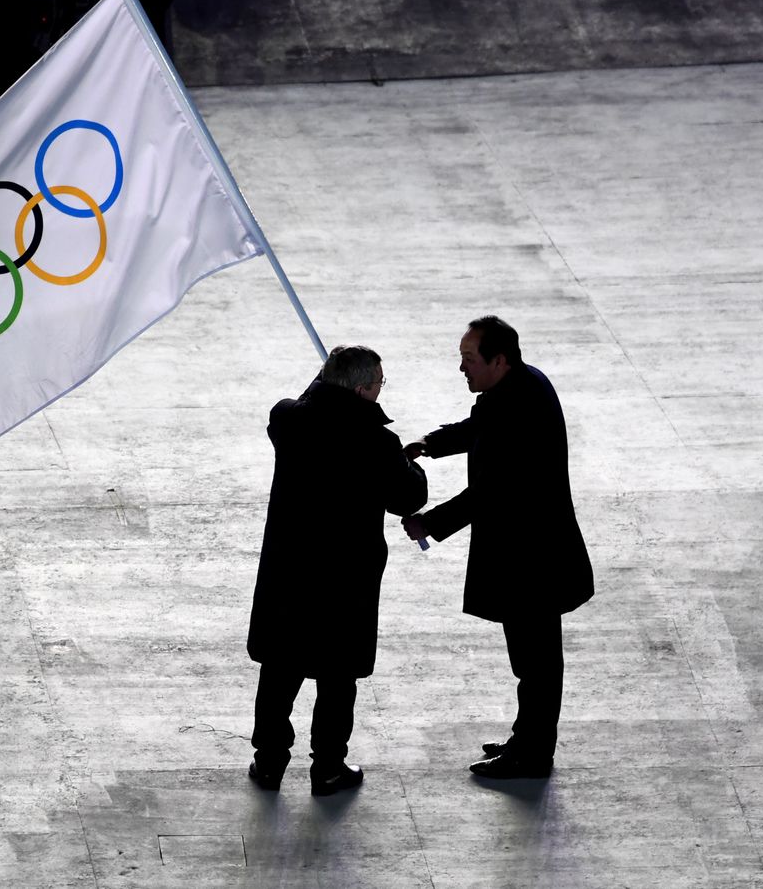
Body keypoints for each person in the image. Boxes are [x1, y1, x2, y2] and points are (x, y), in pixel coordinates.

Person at [401, 317, 592, 779]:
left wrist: (428, 522)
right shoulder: (518, 387)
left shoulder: (518, 408)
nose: (462, 368)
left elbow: (490, 492)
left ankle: (532, 754)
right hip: (532, 553)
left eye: (469, 359)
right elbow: (478, 428)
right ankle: (528, 739)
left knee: (537, 664)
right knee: (533, 660)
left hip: (533, 560)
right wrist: (428, 444)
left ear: (498, 360)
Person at [247, 345, 427, 795]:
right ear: (365, 389)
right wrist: (409, 464)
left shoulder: (288, 420)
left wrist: (325, 382)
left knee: (280, 669)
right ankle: (328, 767)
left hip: (290, 573)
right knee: (336, 676)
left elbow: (304, 401)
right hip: (345, 581)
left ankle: (269, 762)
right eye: (379, 385)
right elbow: (408, 499)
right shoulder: (376, 443)